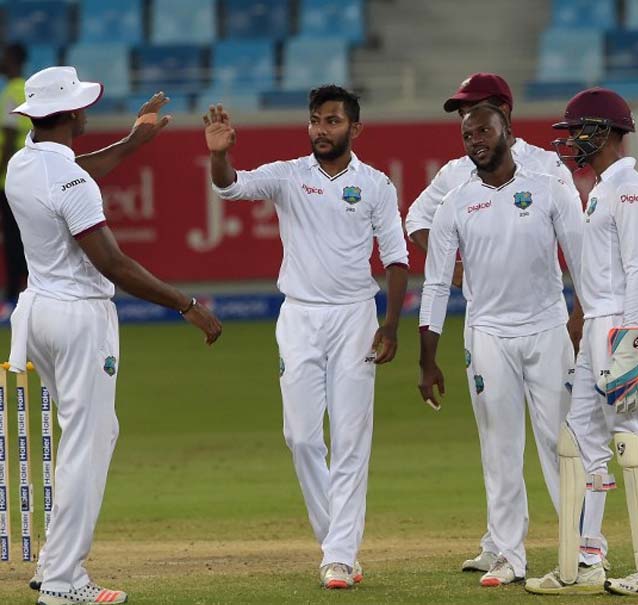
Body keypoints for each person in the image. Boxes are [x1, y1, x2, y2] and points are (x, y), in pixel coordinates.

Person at [6, 66, 222, 605]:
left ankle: (54, 564)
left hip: (36, 315)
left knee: (94, 435)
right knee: (87, 444)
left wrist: (132, 142)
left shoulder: (21, 162)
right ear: (76, 114)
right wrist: (187, 305)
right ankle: (62, 582)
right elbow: (115, 265)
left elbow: (75, 168)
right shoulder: (72, 180)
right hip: (80, 319)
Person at [204, 85, 409, 590]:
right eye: (316, 120)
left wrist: (390, 324)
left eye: (333, 121)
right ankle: (334, 542)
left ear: (354, 129)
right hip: (299, 317)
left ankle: (338, 555)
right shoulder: (289, 175)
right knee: (300, 437)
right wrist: (220, 155)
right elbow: (230, 187)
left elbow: (397, 259)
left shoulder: (377, 185)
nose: (321, 129)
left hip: (356, 318)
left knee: (351, 438)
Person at [405, 72, 588, 574]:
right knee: (499, 446)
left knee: (562, 442)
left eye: (478, 118)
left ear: (503, 116)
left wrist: (581, 314)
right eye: (464, 124)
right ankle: (507, 552)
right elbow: (421, 233)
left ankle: (584, 548)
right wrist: (465, 270)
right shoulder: (456, 182)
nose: (469, 132)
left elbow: (578, 250)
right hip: (487, 328)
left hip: (546, 322)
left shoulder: (547, 170)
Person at [526, 88, 638, 596]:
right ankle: (587, 560)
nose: (571, 140)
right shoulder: (598, 189)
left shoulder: (629, 187)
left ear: (608, 131)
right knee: (581, 442)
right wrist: (591, 330)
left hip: (624, 324)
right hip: (600, 324)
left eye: (579, 130)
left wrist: (631, 341)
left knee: (637, 437)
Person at [0, 42, 30, 301]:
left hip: (9, 178)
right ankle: (29, 287)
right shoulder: (29, 90)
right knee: (26, 234)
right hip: (28, 175)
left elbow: (8, 136)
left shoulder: (11, 91)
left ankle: (13, 294)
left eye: (5, 57)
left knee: (12, 238)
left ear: (14, 60)